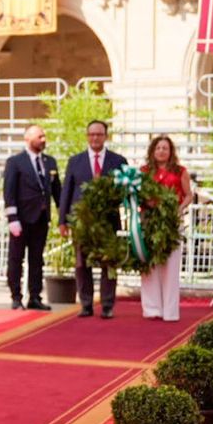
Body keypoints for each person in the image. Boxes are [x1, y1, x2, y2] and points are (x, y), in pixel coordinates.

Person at [58, 120, 127, 319]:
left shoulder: (118, 161)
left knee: (109, 264)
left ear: (106, 136)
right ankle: (86, 304)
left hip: (108, 221)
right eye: (91, 134)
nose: (95, 138)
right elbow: (67, 193)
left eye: (99, 134)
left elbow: (125, 191)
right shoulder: (75, 161)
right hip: (82, 223)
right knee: (82, 264)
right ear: (87, 136)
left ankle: (107, 305)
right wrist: (63, 221)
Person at [2, 124, 58, 311]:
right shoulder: (15, 162)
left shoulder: (50, 162)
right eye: (39, 136)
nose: (43, 140)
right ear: (28, 138)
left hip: (41, 218)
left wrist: (65, 214)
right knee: (16, 258)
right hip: (22, 218)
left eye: (44, 136)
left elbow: (57, 190)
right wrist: (12, 218)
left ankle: (35, 296)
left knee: (37, 259)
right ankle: (16, 297)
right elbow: (9, 191)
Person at [139, 134, 192, 322]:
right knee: (150, 264)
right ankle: (152, 308)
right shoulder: (144, 171)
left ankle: (170, 311)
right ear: (153, 151)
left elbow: (188, 195)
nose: (161, 151)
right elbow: (139, 195)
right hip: (149, 222)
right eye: (158, 148)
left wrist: (179, 209)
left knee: (170, 265)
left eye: (165, 148)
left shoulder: (180, 171)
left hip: (171, 223)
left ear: (171, 152)